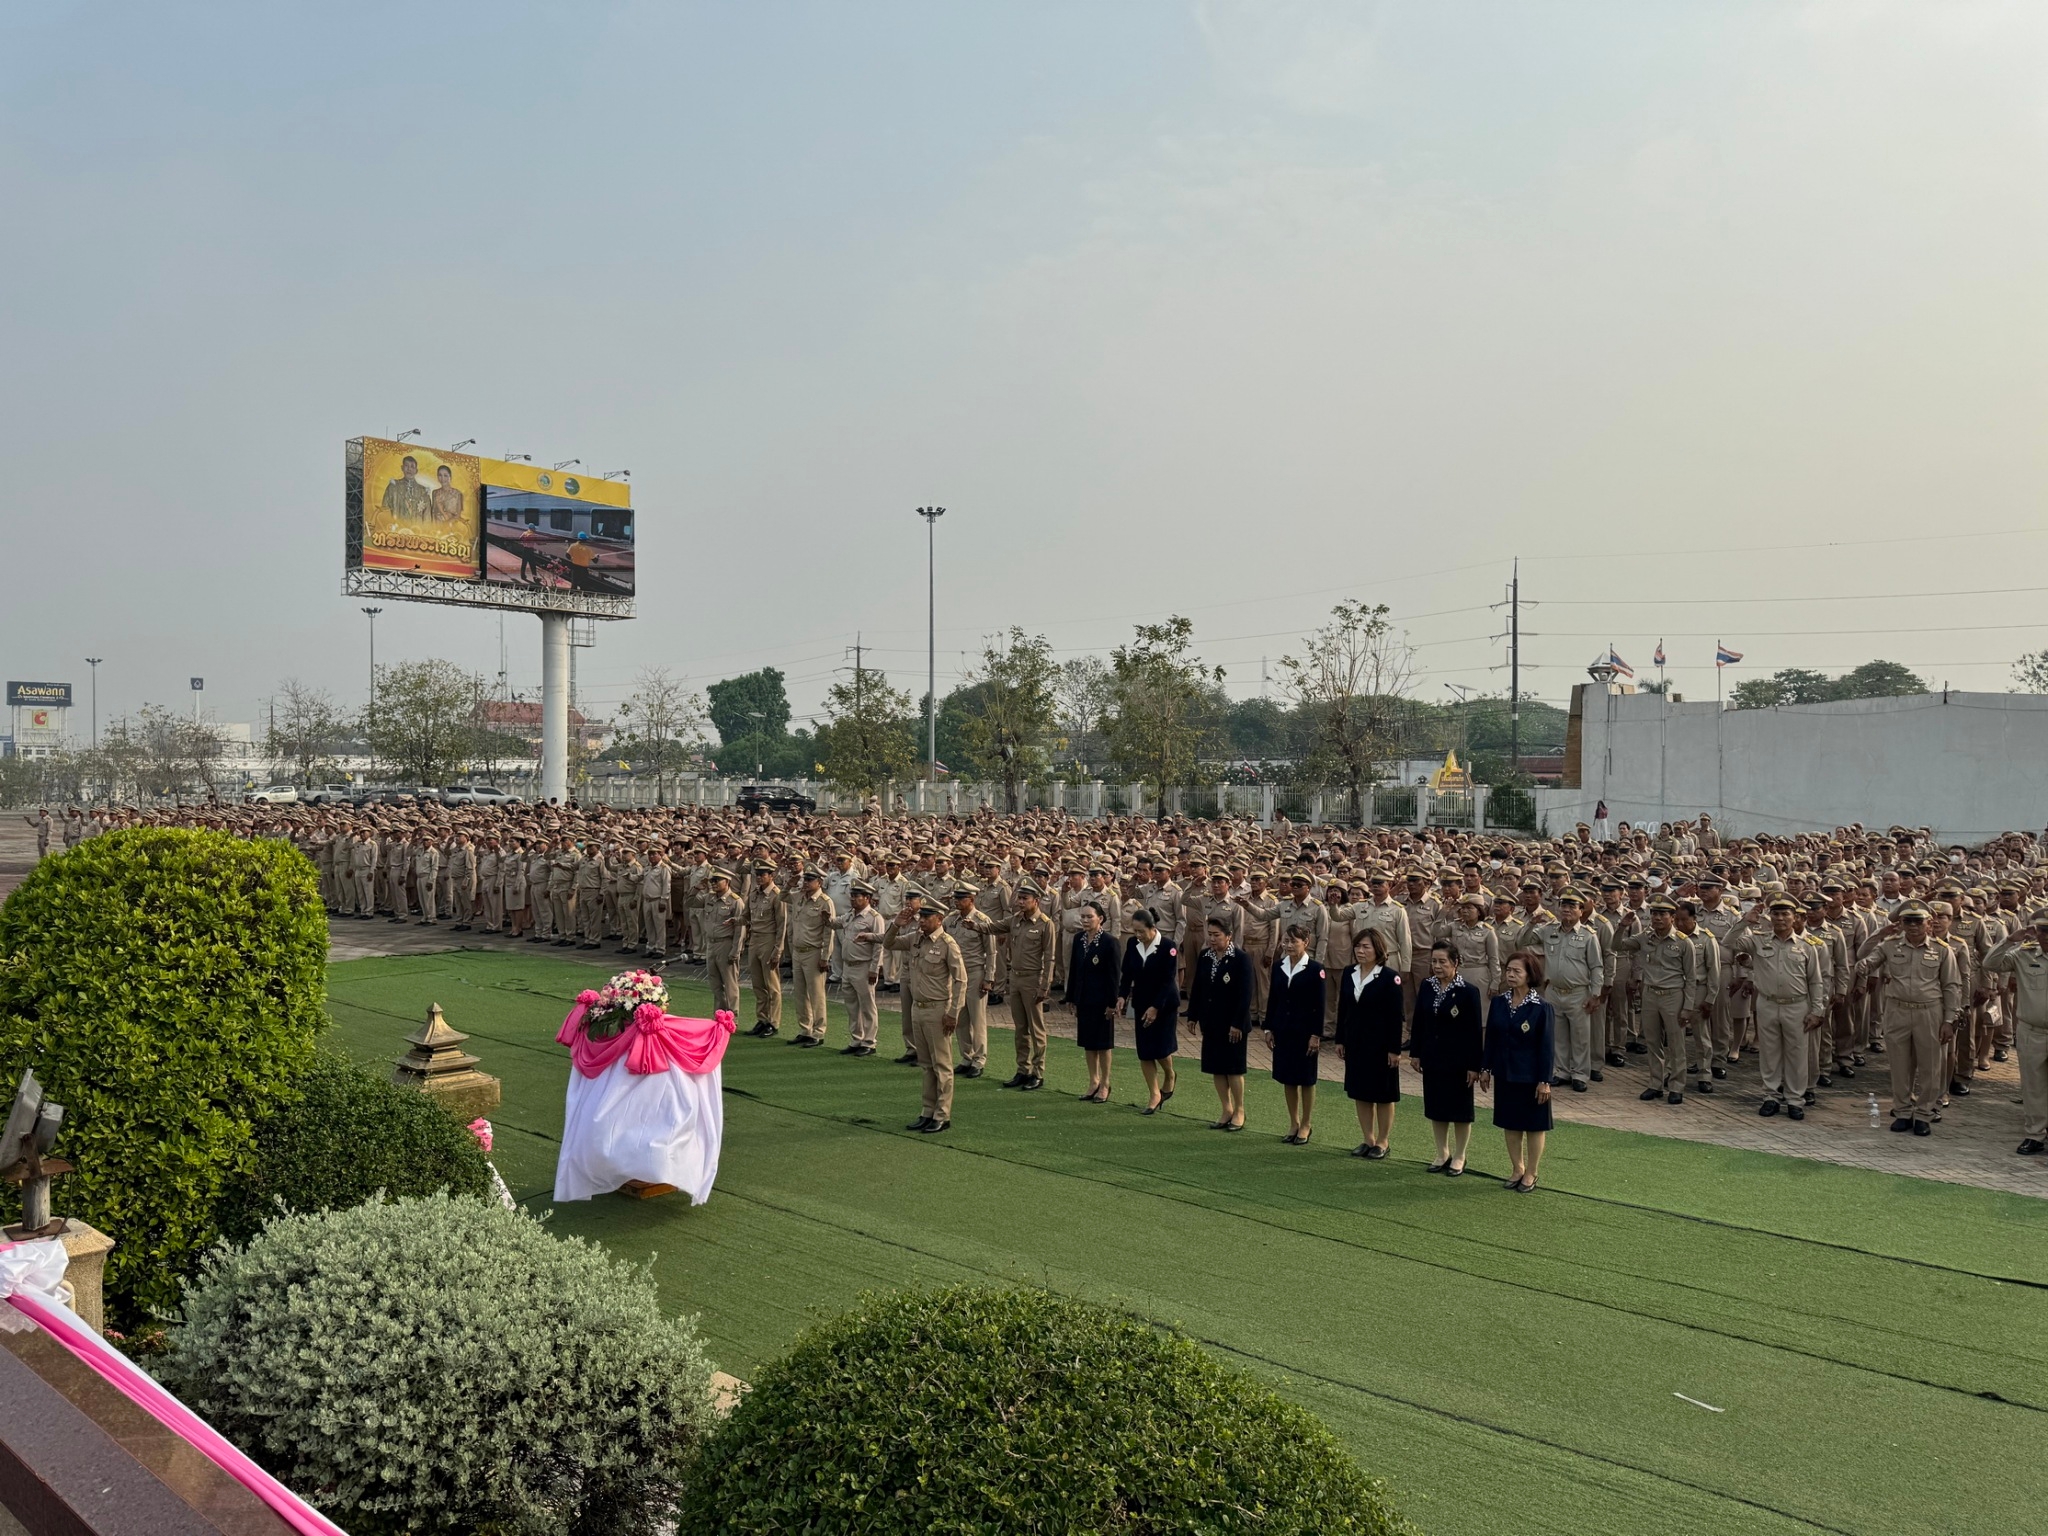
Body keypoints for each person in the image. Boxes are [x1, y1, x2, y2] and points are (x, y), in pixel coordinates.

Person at [885, 902, 967, 1134]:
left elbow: (961, 980)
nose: (921, 921)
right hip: (917, 1008)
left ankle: (942, 1114)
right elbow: (888, 943)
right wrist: (896, 925)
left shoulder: (948, 944)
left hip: (937, 1010)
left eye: (927, 917)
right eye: (921, 917)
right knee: (926, 1064)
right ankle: (927, 1111)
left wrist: (953, 1013)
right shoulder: (914, 939)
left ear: (939, 919)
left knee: (942, 1065)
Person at [1407, 940, 1485, 1174]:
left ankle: (1460, 1155)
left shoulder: (1468, 992)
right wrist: (1416, 1053)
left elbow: (1474, 1031)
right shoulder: (1427, 985)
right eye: (1434, 961)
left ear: (1455, 963)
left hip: (1459, 1062)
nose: (1437, 966)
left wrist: (1474, 1066)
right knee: (1437, 1107)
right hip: (1433, 1057)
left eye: (1443, 962)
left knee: (1460, 1111)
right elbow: (1419, 1021)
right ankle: (1442, 1152)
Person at [1484, 950, 1555, 1193]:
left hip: (1531, 1076)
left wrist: (1544, 1080)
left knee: (1534, 1125)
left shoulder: (1541, 1007)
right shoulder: (1499, 1002)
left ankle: (1532, 1172)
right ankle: (1517, 1168)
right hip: (1505, 1073)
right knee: (1510, 1122)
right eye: (1509, 970)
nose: (1511, 975)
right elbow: (1491, 1038)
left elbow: (1546, 1047)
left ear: (1529, 974)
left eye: (1517, 971)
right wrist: (1486, 1067)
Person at [1335, 928, 1405, 1160]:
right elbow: (1343, 1008)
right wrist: (1340, 1039)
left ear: (1378, 950)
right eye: (1358, 946)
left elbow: (1396, 1016)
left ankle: (1383, 1141)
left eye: (1366, 947)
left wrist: (1394, 1049)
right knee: (1361, 1091)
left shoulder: (1389, 977)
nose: (1361, 951)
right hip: (1356, 1042)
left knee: (1383, 1094)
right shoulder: (1349, 973)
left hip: (1380, 1045)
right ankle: (1368, 1138)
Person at [1187, 914, 1252, 1131]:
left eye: (1217, 935)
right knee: (1216, 1067)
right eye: (1210, 935)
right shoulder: (1205, 956)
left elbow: (1245, 995)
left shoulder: (1240, 959)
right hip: (1211, 1022)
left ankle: (1240, 1110)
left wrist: (1237, 1023)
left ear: (1229, 936)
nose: (1212, 939)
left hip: (1233, 1024)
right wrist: (1193, 1016)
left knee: (1233, 1069)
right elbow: (1198, 988)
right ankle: (1226, 1109)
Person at [1263, 923, 1325, 1144]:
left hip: (1305, 1032)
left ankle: (1306, 1124)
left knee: (1306, 1080)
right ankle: (1294, 1122)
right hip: (1283, 1030)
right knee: (1288, 1078)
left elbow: (1320, 1005)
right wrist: (1269, 1027)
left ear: (1305, 943)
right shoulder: (1279, 966)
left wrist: (1315, 1034)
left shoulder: (1315, 968)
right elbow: (1274, 999)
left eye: (1293, 941)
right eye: (1285, 941)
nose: (1288, 945)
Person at [1121, 908, 1181, 1114]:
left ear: (1152, 928)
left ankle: (1170, 1074)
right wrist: (1121, 996)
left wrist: (1155, 1007)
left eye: (1141, 931)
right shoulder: (1132, 944)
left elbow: (1168, 980)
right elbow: (1127, 973)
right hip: (1141, 1001)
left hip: (1163, 1003)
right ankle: (1154, 1094)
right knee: (1145, 1052)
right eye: (1134, 931)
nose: (1137, 935)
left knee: (1161, 1048)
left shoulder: (1168, 947)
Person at [1064, 900, 1121, 1102]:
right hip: (1084, 998)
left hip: (1103, 1000)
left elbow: (1114, 976)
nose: (1086, 920)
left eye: (1090, 916)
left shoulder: (1110, 942)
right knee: (1088, 1043)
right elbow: (1074, 970)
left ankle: (1105, 1084)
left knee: (1103, 1044)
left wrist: (1112, 1003)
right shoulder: (1079, 939)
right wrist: (1072, 997)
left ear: (1101, 919)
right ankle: (1093, 1081)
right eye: (1083, 916)